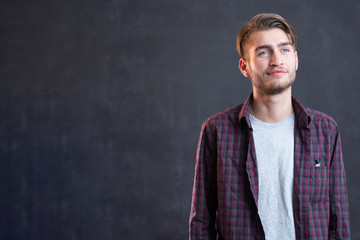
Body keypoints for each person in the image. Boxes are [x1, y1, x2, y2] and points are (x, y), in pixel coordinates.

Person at [189, 13, 350, 239]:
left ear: (296, 59)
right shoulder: (217, 130)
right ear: (244, 67)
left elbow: (338, 221)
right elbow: (201, 222)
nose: (276, 60)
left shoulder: (325, 130)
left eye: (284, 50)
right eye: (264, 52)